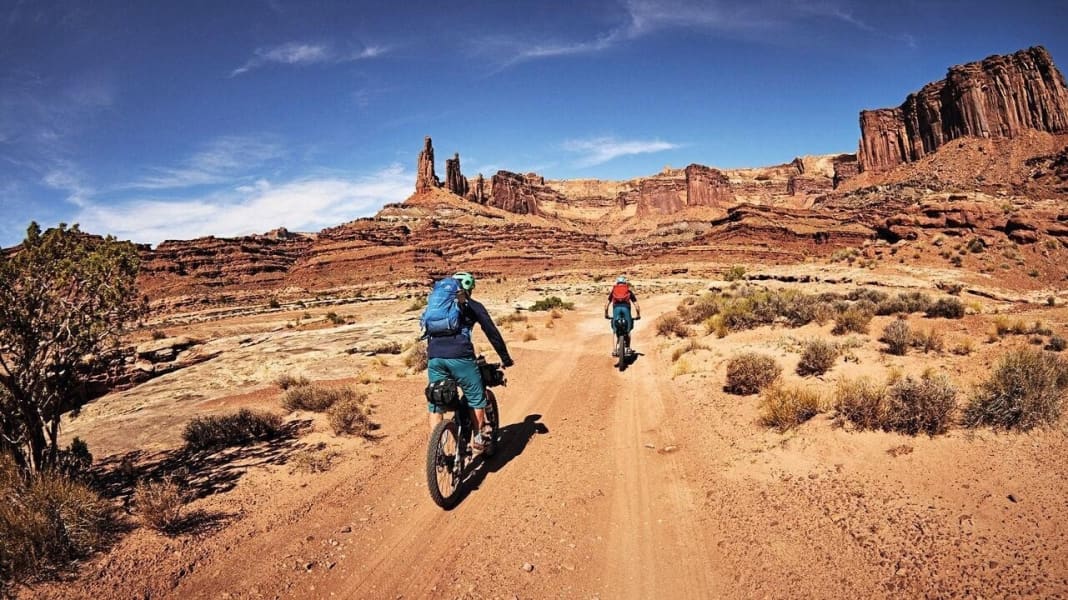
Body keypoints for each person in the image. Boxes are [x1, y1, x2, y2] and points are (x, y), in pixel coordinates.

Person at [426, 271, 513, 451]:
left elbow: (428, 332)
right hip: (461, 356)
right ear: (468, 288)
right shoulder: (472, 305)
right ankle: (478, 436)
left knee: (437, 399)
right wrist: (505, 358)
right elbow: (491, 331)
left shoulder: (437, 307)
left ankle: (437, 450)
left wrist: (435, 353)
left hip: (434, 356)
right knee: (476, 396)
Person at [604, 275, 641, 356]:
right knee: (628, 330)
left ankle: (614, 350)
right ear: (625, 283)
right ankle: (628, 348)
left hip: (616, 309)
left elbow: (606, 305)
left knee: (614, 331)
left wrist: (606, 314)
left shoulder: (613, 291)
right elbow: (637, 305)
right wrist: (638, 315)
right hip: (626, 309)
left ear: (617, 283)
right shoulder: (628, 291)